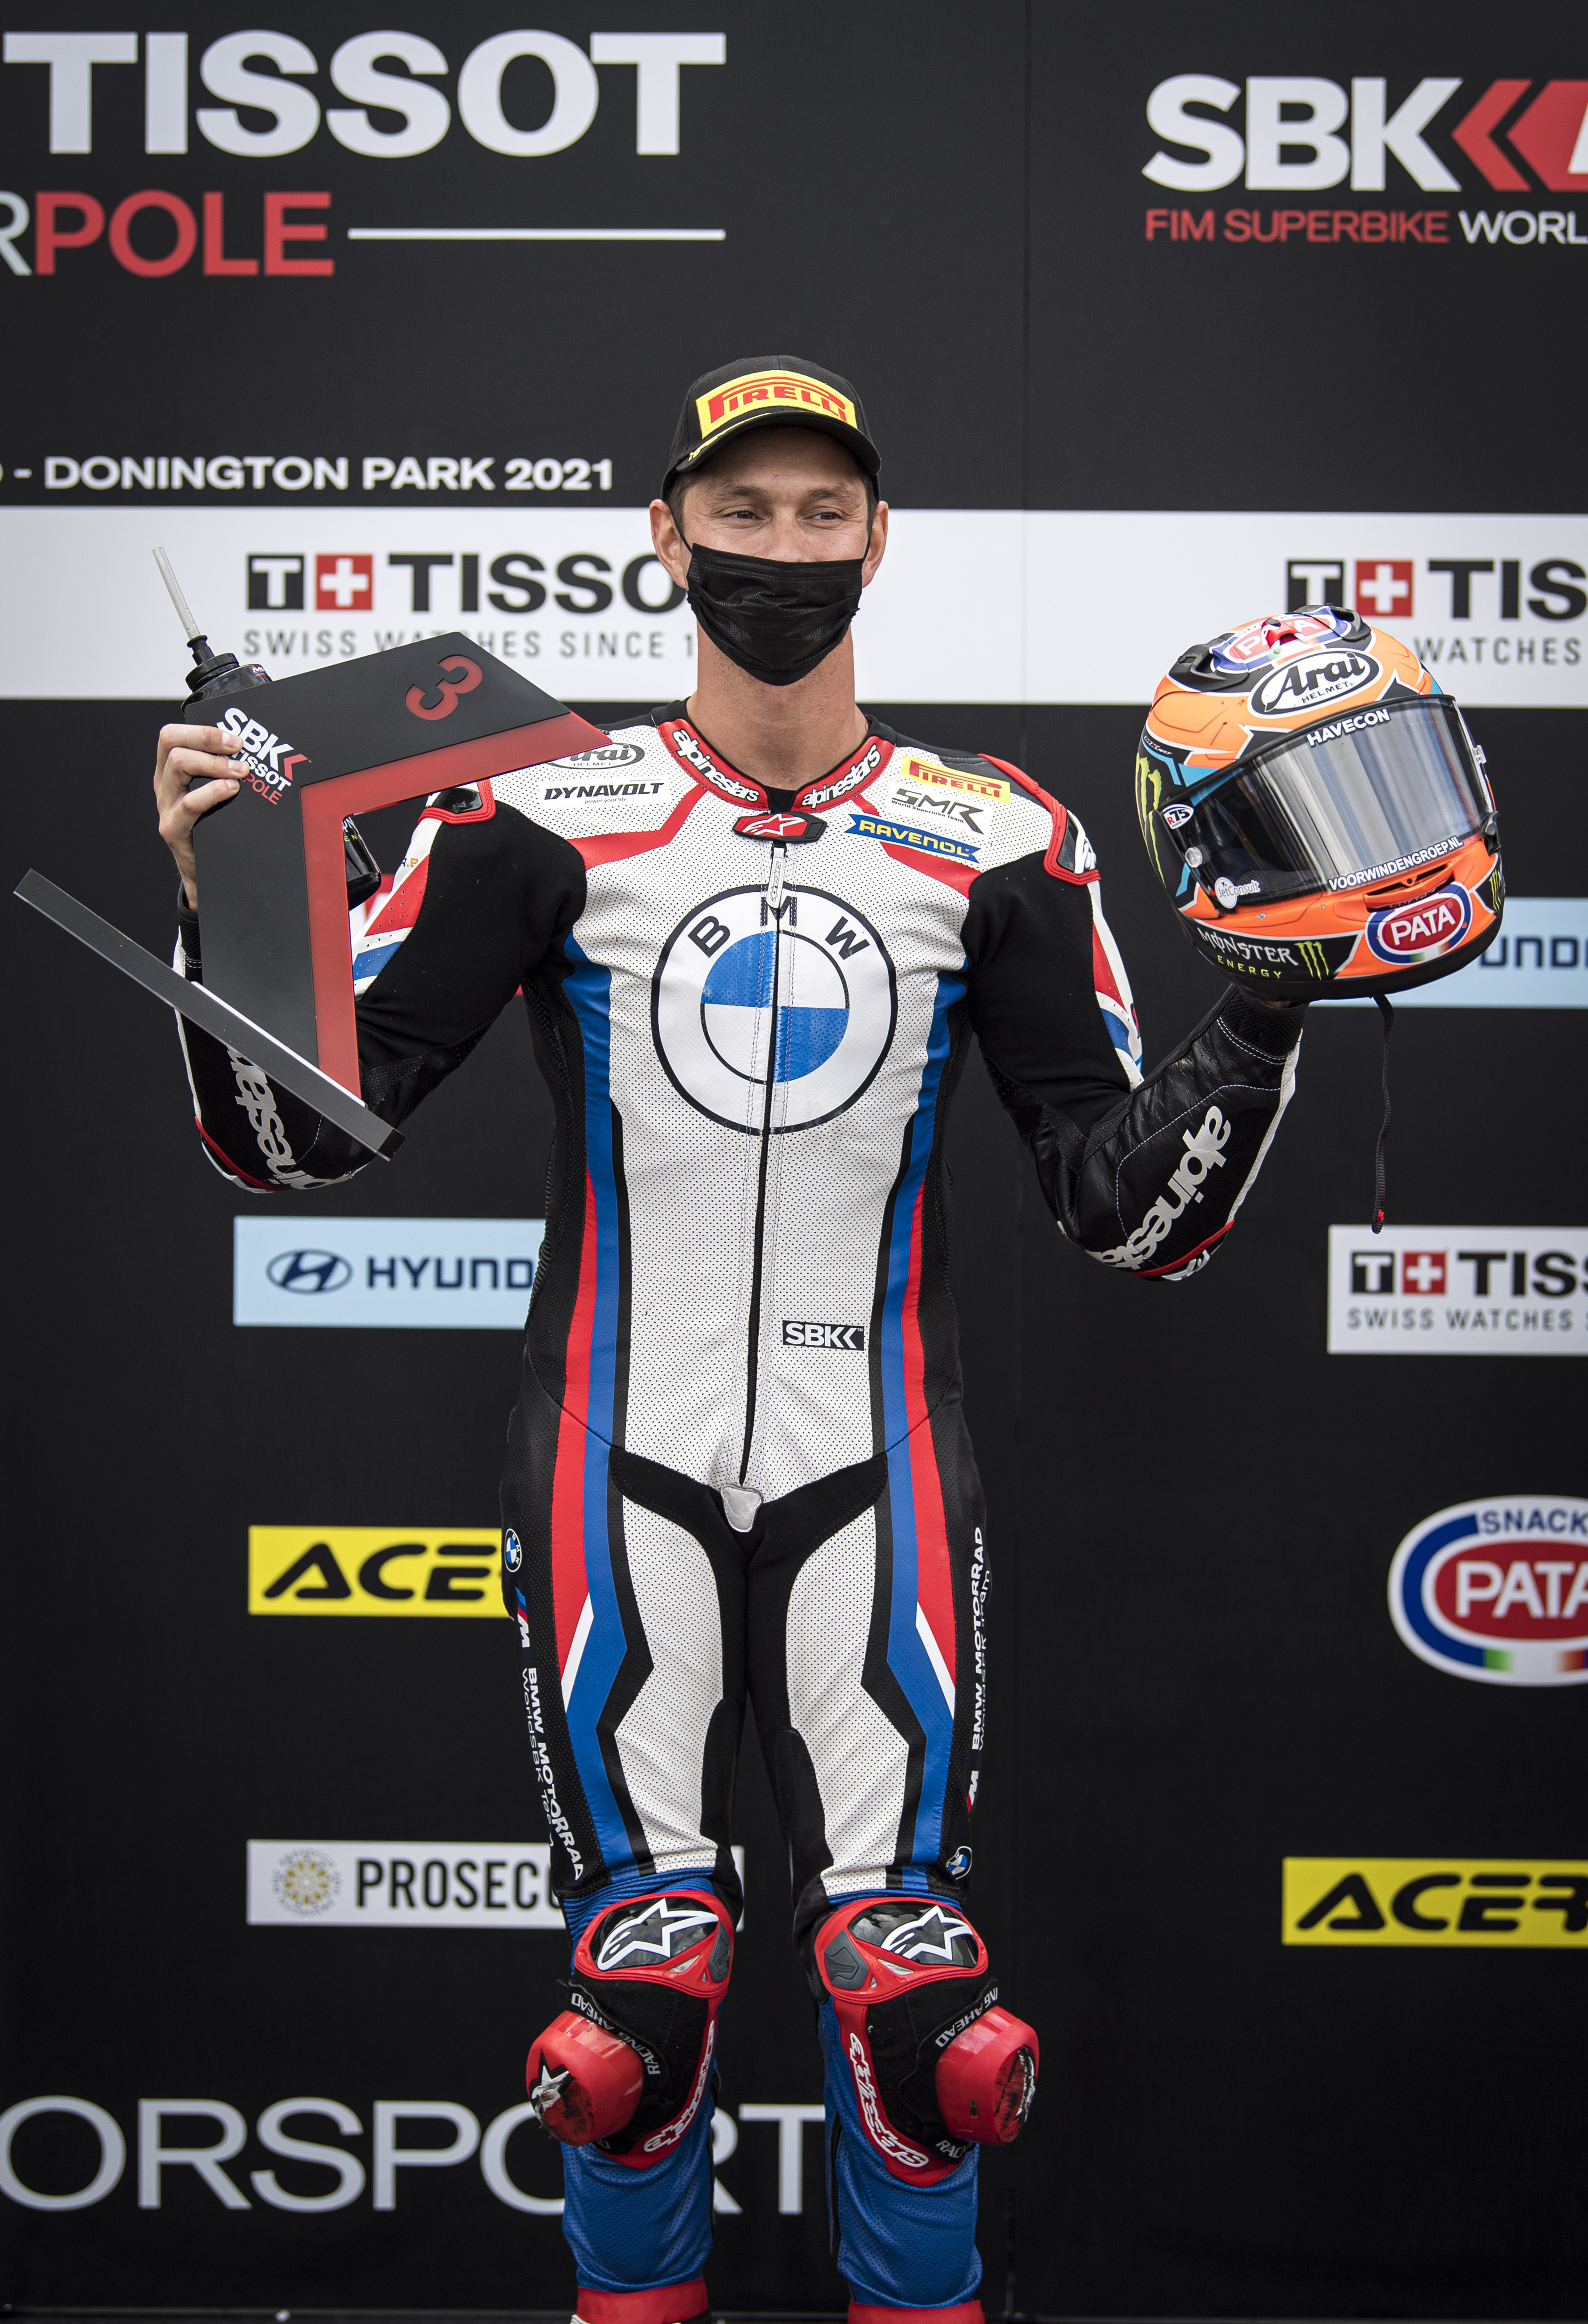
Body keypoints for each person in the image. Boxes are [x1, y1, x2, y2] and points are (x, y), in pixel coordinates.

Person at [152, 356, 1305, 2324]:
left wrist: (1271, 1002)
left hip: (883, 1468)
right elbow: (296, 1144)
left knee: (925, 2025)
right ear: (666, 535)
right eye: (743, 511)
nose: (785, 546)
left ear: (879, 538)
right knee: (636, 2020)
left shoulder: (996, 834)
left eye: (820, 511)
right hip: (616, 1457)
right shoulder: (536, 809)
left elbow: (1124, 1207)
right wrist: (235, 907)